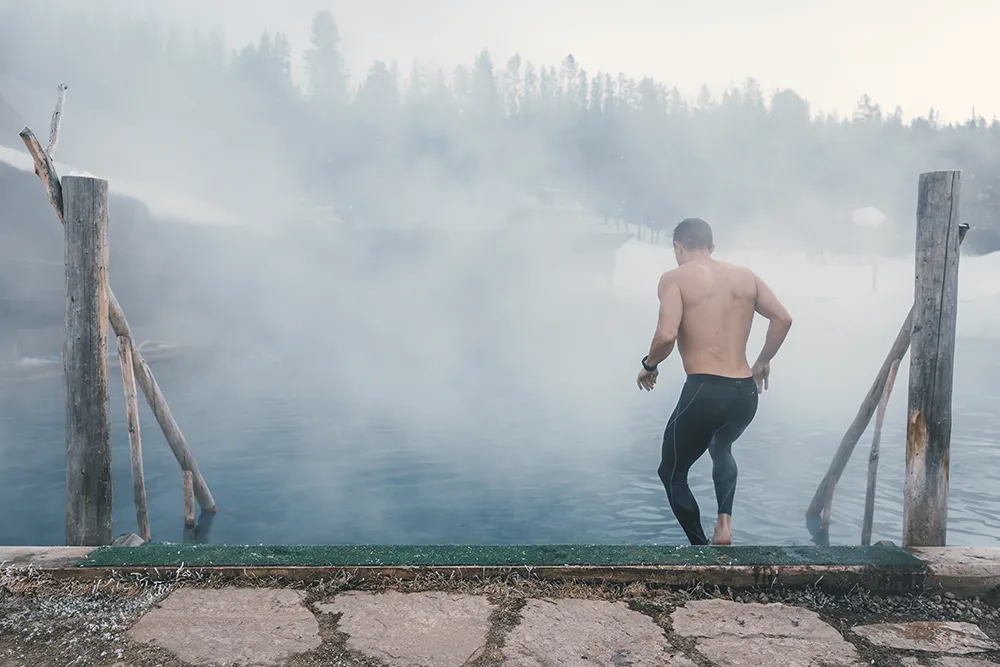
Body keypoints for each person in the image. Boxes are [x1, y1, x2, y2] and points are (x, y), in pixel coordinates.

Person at [636, 218, 792, 546]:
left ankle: (700, 550)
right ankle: (724, 523)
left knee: (672, 472)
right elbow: (783, 318)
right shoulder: (745, 276)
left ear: (678, 246)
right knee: (721, 446)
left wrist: (649, 365)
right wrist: (762, 361)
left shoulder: (674, 278)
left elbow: (666, 334)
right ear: (712, 247)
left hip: (705, 390)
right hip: (745, 393)